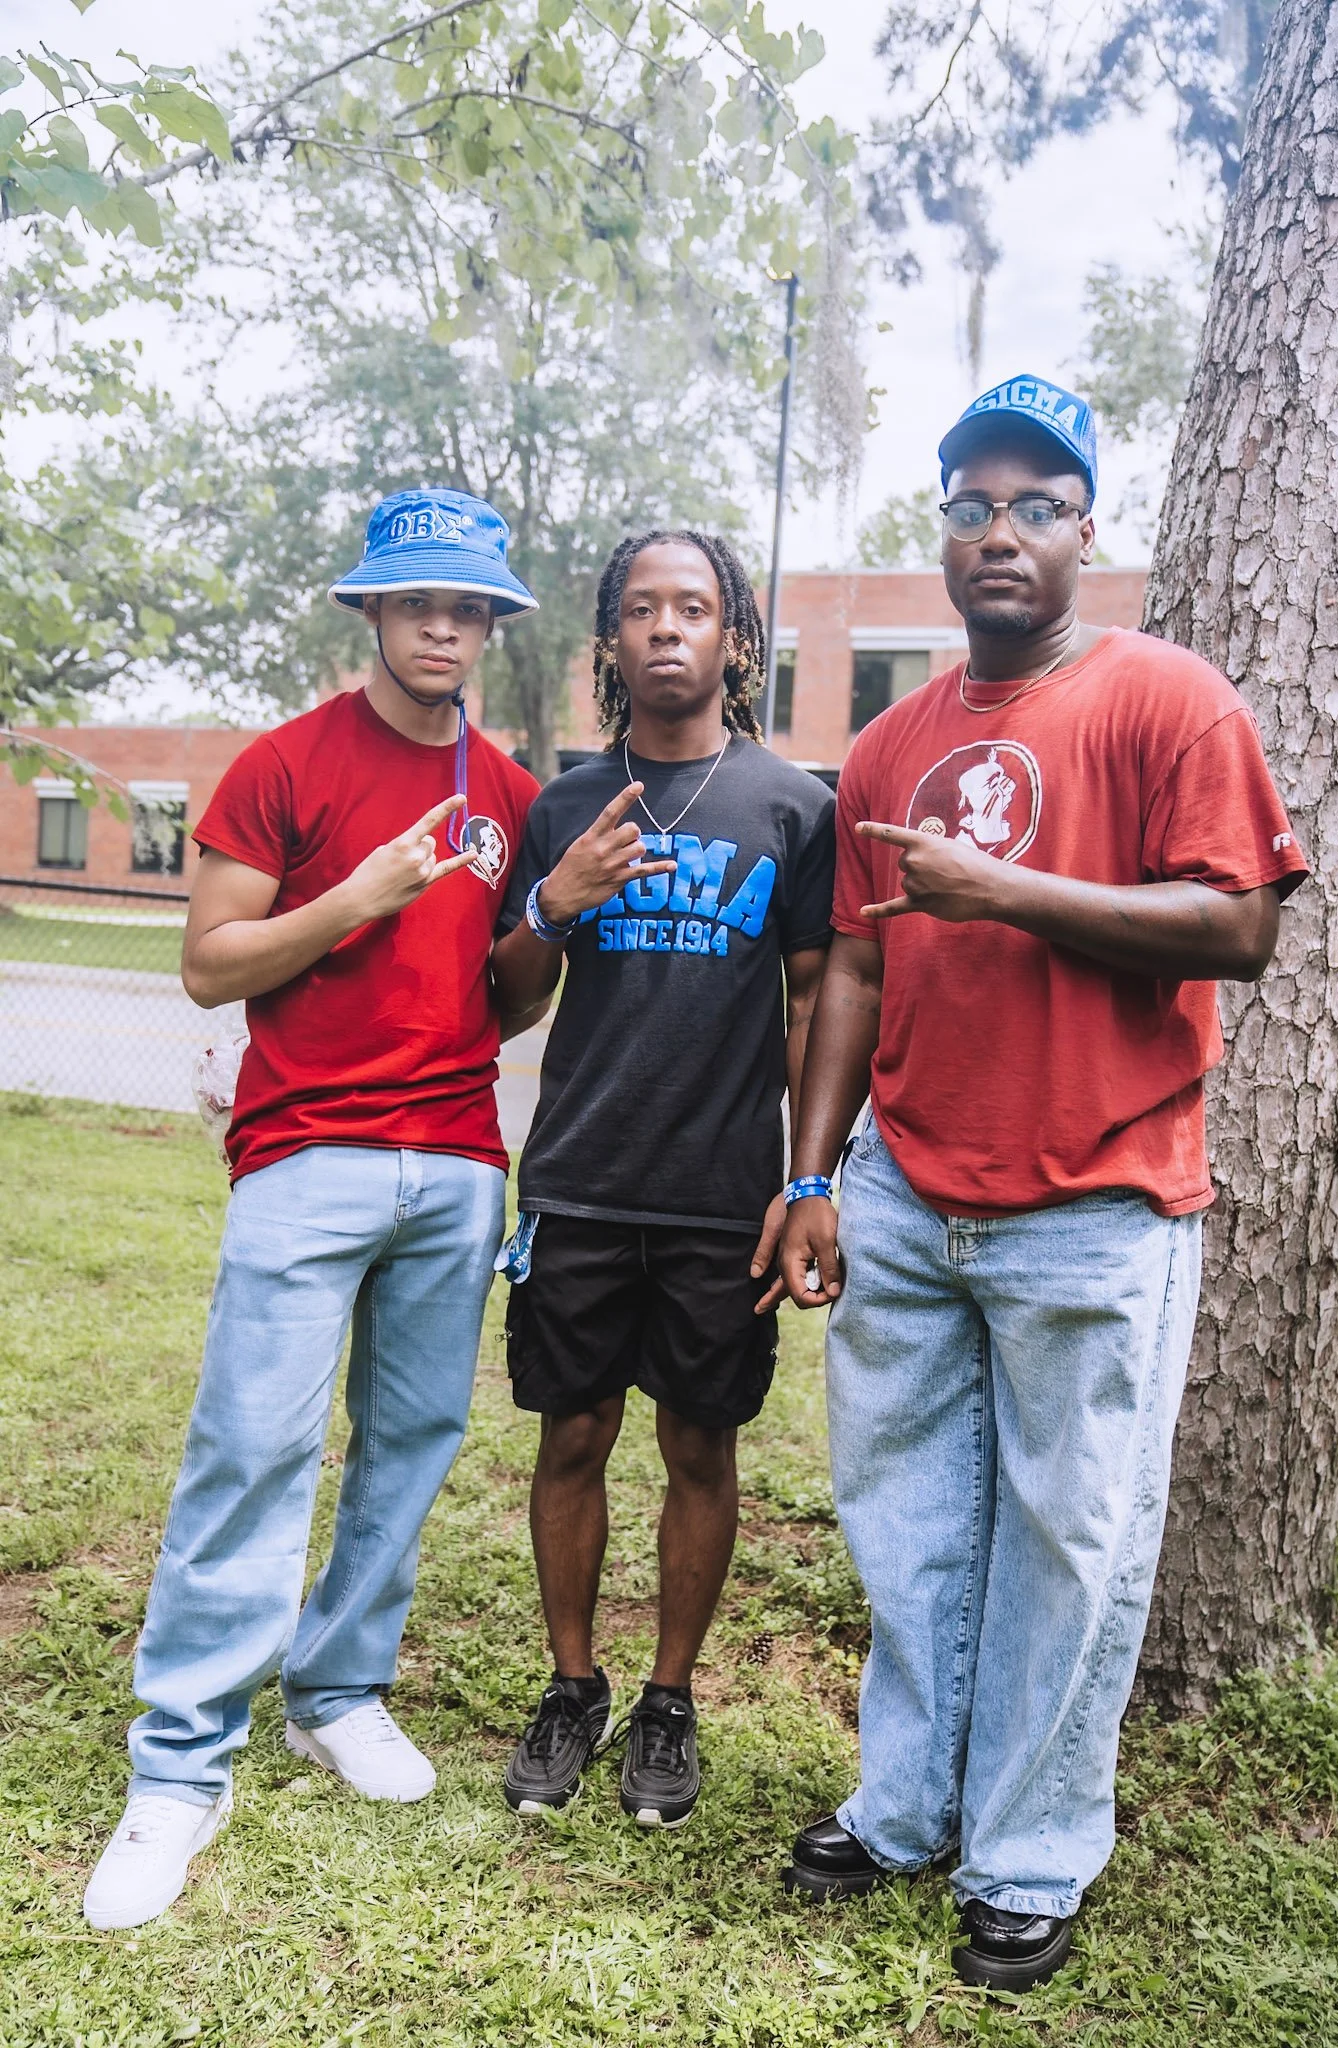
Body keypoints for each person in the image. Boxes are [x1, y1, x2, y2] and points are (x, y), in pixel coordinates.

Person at [776, 376, 1308, 1990]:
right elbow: (852, 977)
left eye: (1035, 505)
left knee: (1072, 1541)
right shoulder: (889, 741)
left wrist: (1006, 888)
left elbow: (1241, 925)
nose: (997, 532)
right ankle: (906, 1807)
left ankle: (1029, 1853)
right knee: (911, 1527)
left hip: (1098, 1196)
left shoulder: (1170, 700)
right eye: (969, 504)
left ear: (1087, 530)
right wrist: (811, 1175)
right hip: (905, 1188)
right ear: (939, 531)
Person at [83, 490, 542, 1931]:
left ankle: (335, 1690)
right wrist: (354, 897)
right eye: (420, 605)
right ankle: (179, 1765)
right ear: (371, 613)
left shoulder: (512, 795)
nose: (444, 630)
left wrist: (557, 916)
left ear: (489, 625)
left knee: (410, 1441)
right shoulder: (285, 764)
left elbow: (508, 996)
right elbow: (212, 966)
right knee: (256, 1445)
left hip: (459, 1154)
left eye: (468, 609)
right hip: (305, 1151)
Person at [490, 530, 835, 1828]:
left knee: (702, 1444)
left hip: (719, 1196)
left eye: (694, 607)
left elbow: (815, 1006)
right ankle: (573, 1683)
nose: (667, 629)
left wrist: (810, 1176)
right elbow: (509, 1002)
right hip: (580, 1181)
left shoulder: (793, 809)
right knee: (571, 1433)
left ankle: (669, 1699)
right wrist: (555, 903)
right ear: (611, 642)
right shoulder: (566, 807)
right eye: (641, 610)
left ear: (734, 637)